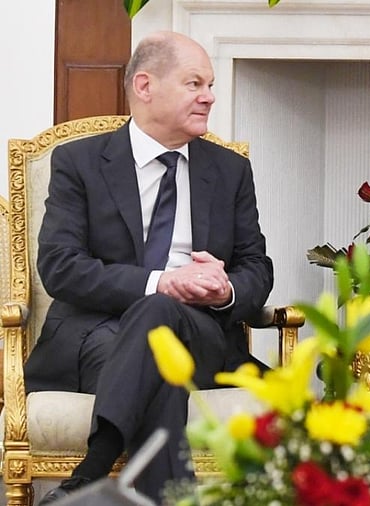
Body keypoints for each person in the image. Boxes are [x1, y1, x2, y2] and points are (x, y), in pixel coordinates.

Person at [24, 31, 274, 504]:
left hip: (200, 336)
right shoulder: (79, 162)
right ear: (145, 86)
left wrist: (224, 291)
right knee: (158, 344)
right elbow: (60, 267)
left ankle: (92, 471)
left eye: (211, 85)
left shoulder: (228, 170)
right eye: (194, 83)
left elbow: (257, 268)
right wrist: (162, 282)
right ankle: (173, 497)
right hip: (97, 336)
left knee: (159, 317)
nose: (209, 97)